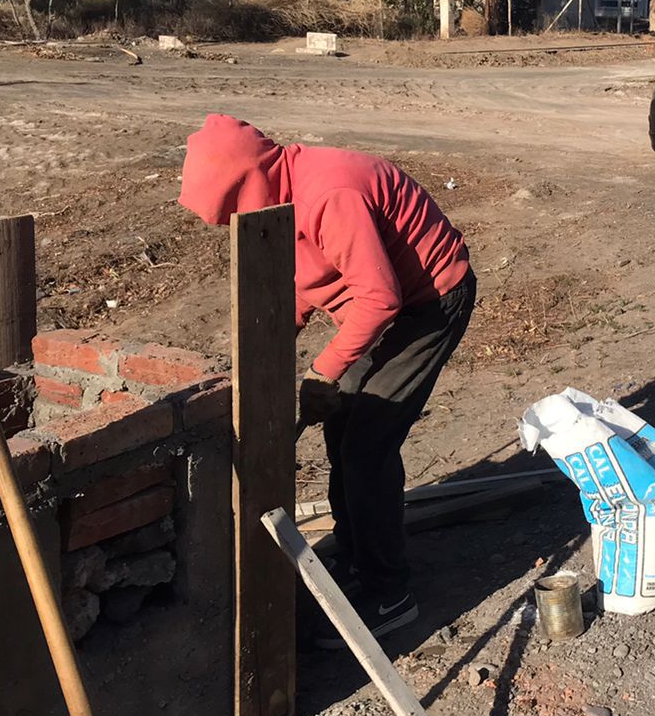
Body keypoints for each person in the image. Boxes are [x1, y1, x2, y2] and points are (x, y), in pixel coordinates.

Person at [177, 114, 476, 641]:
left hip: (428, 303)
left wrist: (321, 373)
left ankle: (389, 593)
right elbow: (306, 279)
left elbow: (380, 298)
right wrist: (266, 348)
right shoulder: (282, 195)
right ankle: (356, 554)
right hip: (384, 304)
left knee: (366, 444)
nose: (228, 223)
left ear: (246, 185)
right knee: (342, 429)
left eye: (229, 211)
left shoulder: (328, 195)